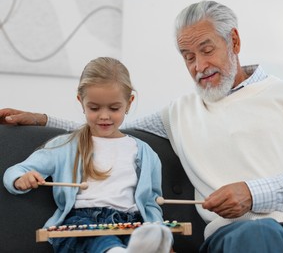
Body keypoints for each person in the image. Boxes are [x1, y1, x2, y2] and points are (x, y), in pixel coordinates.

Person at [0, 1, 283, 253]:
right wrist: (45, 120)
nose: (199, 66)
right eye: (187, 56)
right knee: (258, 234)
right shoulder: (178, 112)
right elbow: (115, 127)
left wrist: (253, 192)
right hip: (242, 233)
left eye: (205, 49)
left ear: (233, 40)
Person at [3, 57, 172, 253]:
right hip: (82, 224)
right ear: (80, 102)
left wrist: (158, 232)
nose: (104, 116)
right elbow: (15, 171)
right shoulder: (64, 146)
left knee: (143, 236)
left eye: (114, 108)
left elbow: (151, 203)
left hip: (130, 222)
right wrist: (20, 179)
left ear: (129, 103)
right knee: (96, 240)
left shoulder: (145, 152)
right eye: (94, 108)